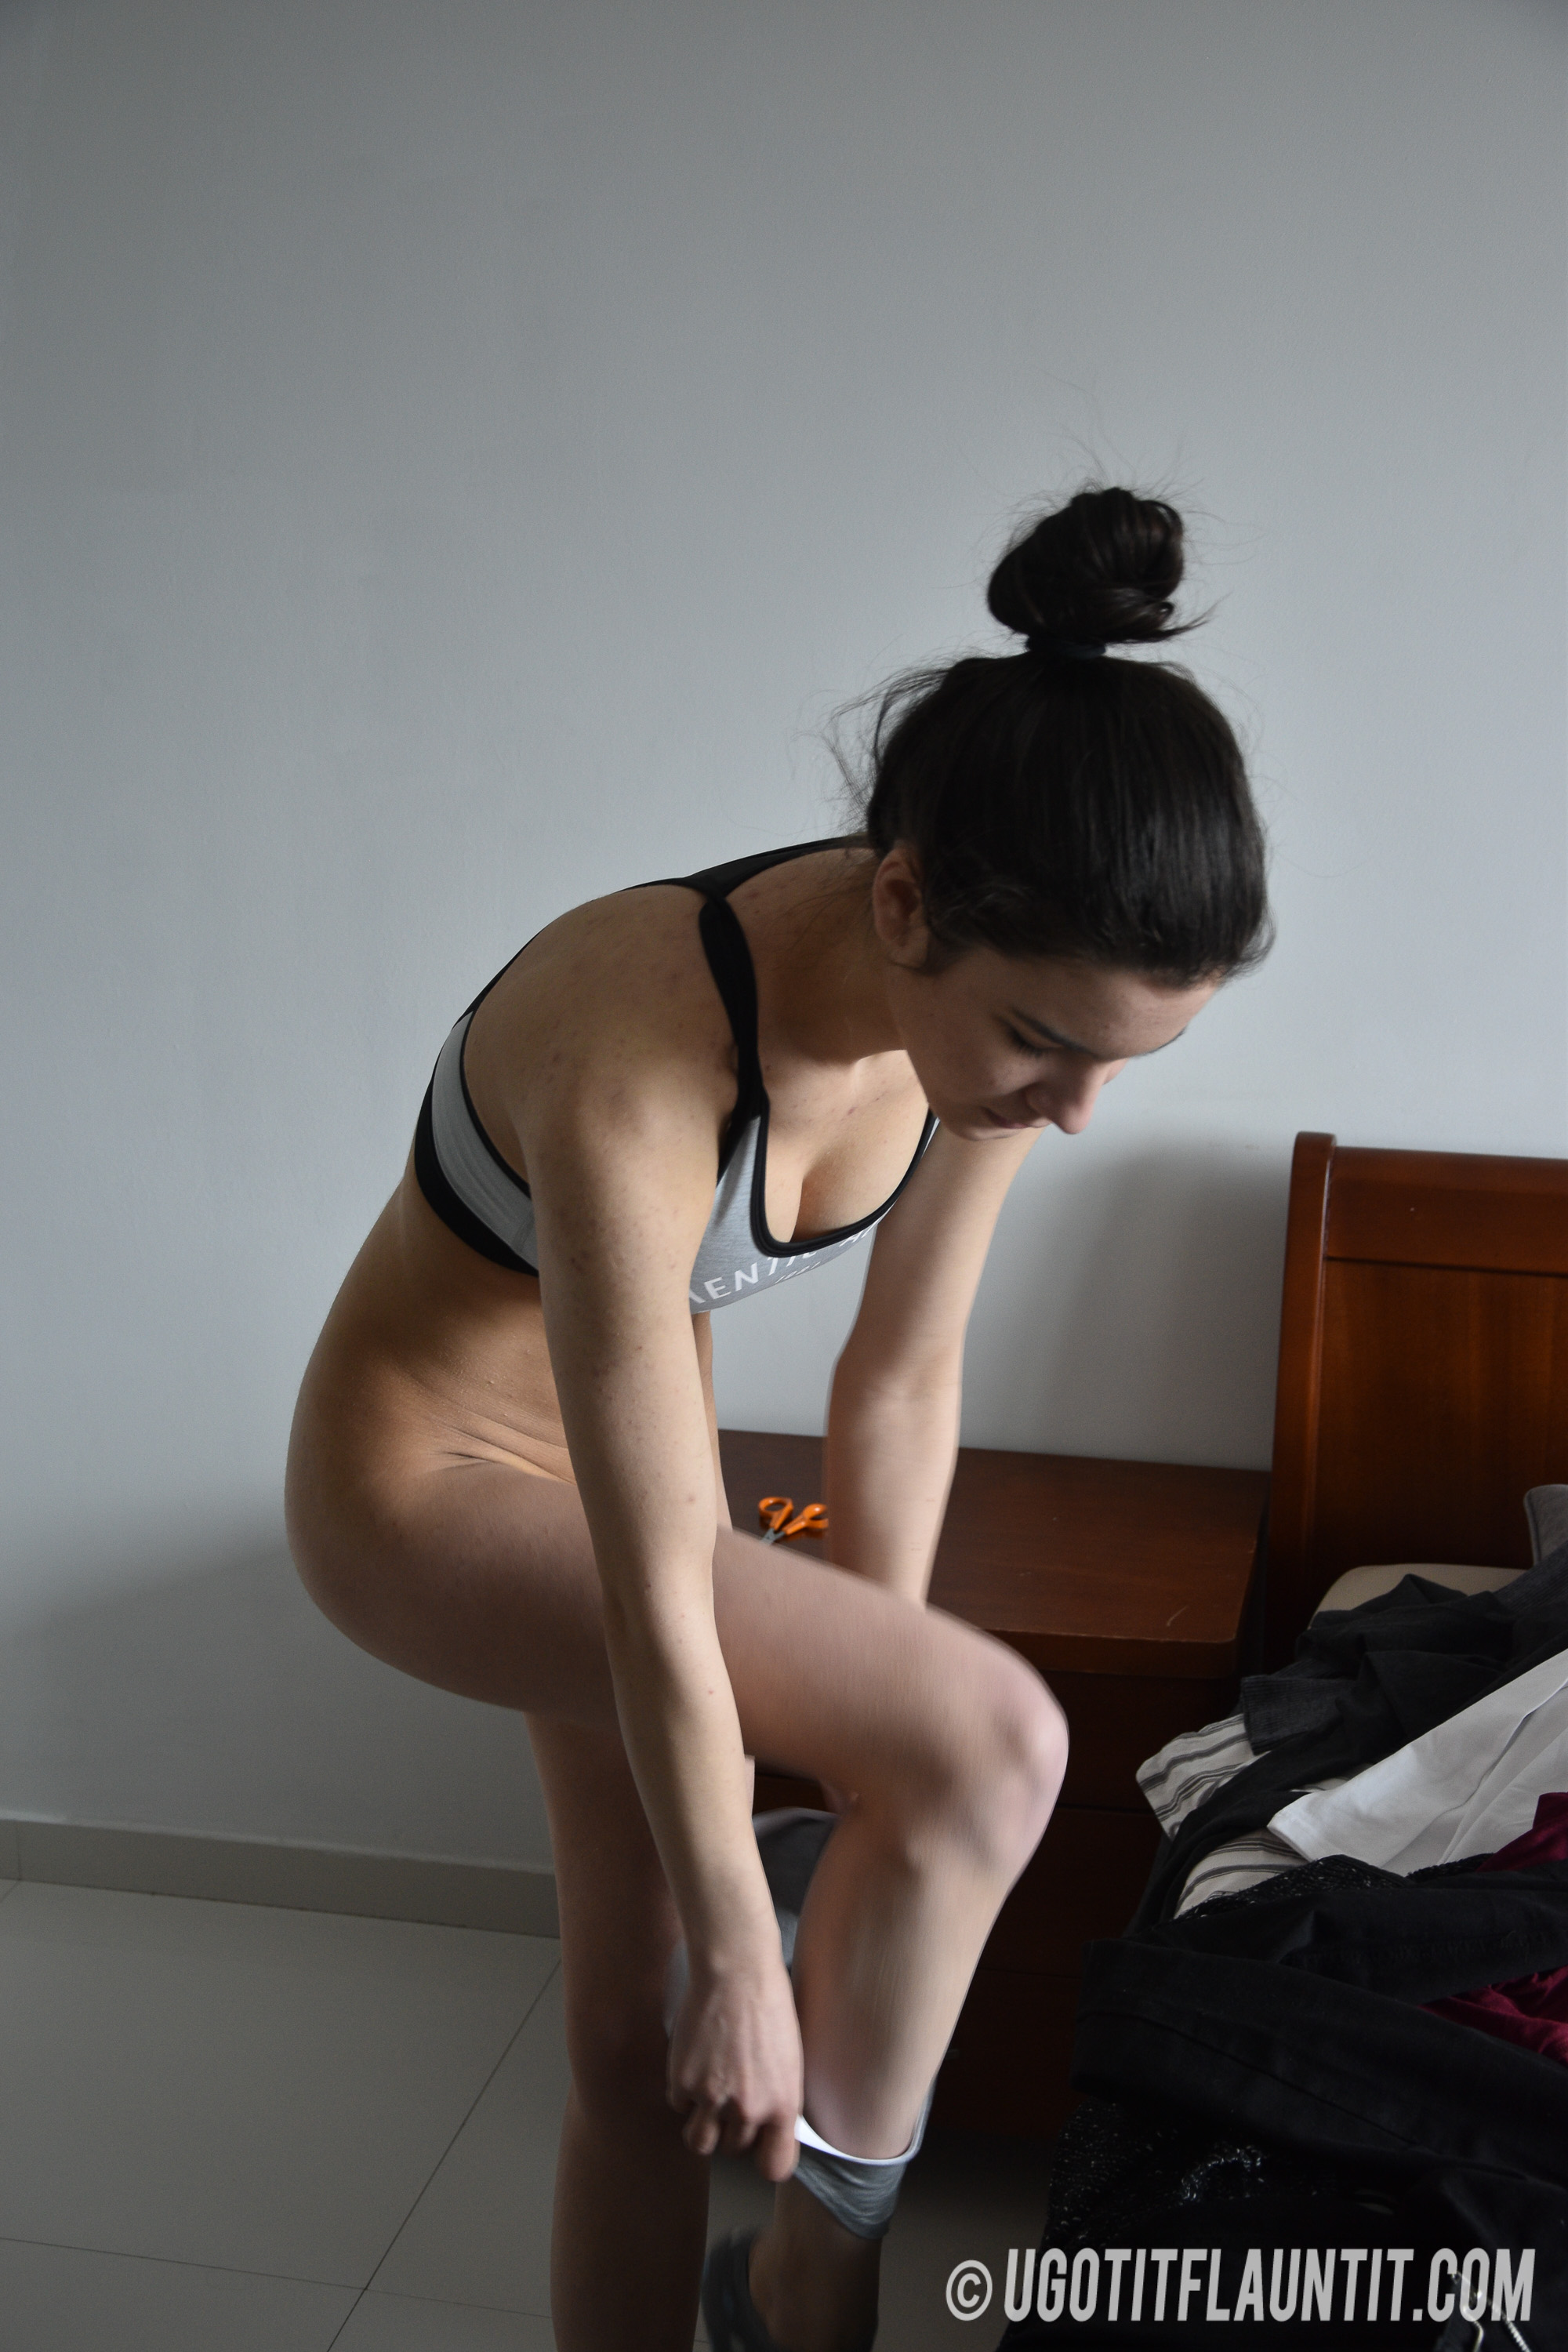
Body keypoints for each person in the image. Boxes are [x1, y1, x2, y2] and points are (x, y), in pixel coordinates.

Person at [284, 485, 1271, 2352]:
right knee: (989, 1744)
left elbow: (898, 1378)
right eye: (1049, 1047)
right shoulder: (635, 1058)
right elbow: (656, 1572)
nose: (1076, 1112)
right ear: (904, 905)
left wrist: (851, 1738)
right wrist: (752, 1932)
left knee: (627, 2035)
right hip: (425, 1488)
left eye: (1120, 1064)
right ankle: (822, 2263)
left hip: (618, 1484)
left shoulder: (975, 1007)